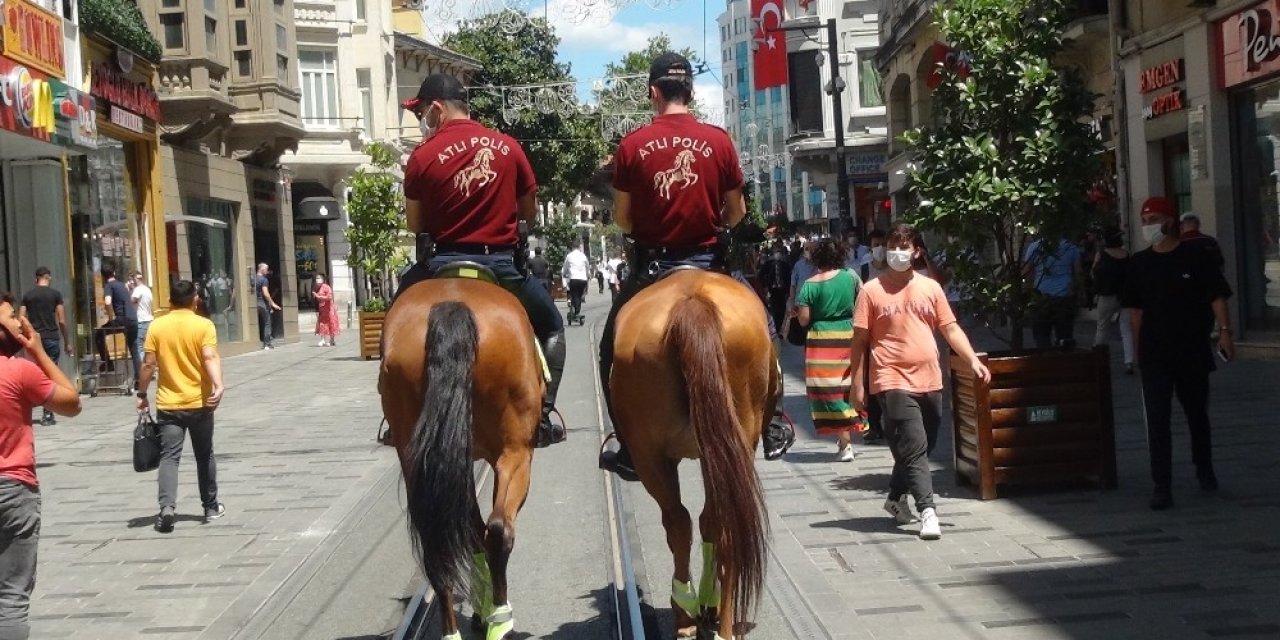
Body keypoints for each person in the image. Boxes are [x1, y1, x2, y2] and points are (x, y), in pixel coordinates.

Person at [598, 52, 762, 479]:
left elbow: (623, 218)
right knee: (764, 328)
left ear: (653, 92)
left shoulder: (632, 145)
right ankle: (773, 417)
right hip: (711, 261)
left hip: (654, 268)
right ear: (691, 90)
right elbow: (737, 211)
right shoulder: (719, 140)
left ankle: (627, 442)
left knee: (609, 349)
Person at [395, 73, 566, 448]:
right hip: (501, 268)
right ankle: (544, 414)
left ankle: (396, 416)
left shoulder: (422, 156)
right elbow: (529, 212)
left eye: (422, 111)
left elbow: (415, 223)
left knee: (396, 322)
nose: (421, 120)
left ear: (437, 109)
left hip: (439, 267)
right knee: (552, 326)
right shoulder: (508, 147)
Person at [849, 224, 991, 540]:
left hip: (929, 378)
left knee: (923, 445)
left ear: (916, 251)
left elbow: (950, 328)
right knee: (913, 444)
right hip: (890, 378)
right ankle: (928, 510)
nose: (898, 252)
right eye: (892, 245)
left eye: (904, 246)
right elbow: (858, 342)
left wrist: (972, 360)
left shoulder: (931, 288)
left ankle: (895, 497)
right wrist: (856, 385)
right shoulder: (871, 291)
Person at [1123, 196, 1234, 511]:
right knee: (1157, 421)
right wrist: (1138, 351)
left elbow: (1216, 297)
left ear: (1170, 221)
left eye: (1153, 219)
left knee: (1197, 414)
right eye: (1144, 221)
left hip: (1192, 349)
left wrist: (1225, 334)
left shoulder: (1195, 255)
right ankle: (1162, 485)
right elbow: (1135, 313)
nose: (1148, 226)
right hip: (1155, 354)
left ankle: (1204, 467)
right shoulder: (1139, 264)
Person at [0, 292, 81, 639]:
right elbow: (71, 402)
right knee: (11, 598)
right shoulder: (20, 372)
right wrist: (36, 351)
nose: (19, 319)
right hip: (14, 489)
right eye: (11, 316)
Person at [136, 280, 225, 533]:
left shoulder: (157, 326)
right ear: (195, 299)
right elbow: (209, 356)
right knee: (204, 453)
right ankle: (210, 507)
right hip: (199, 402)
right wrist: (218, 385)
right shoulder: (203, 325)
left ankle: (167, 508)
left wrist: (142, 393)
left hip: (169, 403)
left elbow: (148, 364)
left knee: (169, 457)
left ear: (170, 301)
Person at [794, 239, 866, 462]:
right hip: (848, 335)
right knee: (848, 385)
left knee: (829, 390)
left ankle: (844, 442)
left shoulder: (809, 285)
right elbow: (863, 302)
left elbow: (804, 320)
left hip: (821, 341)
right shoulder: (851, 277)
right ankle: (847, 438)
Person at [18, 268, 72, 426]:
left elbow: (21, 317)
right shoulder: (55, 295)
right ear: (49, 278)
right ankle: (49, 413)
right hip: (52, 337)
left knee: (39, 372)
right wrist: (67, 341)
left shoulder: (28, 296)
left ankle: (42, 408)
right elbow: (61, 320)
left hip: (35, 339)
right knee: (51, 373)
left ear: (36, 279)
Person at [1024, 236, 1083, 349]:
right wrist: (1081, 292)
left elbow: (1028, 273)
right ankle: (1064, 362)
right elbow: (1078, 272)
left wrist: (1028, 294)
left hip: (1041, 297)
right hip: (1064, 296)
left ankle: (1046, 361)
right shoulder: (1070, 247)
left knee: (1042, 337)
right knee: (1065, 337)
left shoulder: (1035, 247)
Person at [1092, 227, 1135, 374]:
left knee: (1102, 327)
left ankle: (1098, 359)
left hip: (1107, 295)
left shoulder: (1102, 255)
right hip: (1125, 296)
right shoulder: (1126, 255)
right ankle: (1129, 361)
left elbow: (1094, 273)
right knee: (1126, 329)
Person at [95, 263, 139, 382]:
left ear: (103, 276)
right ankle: (138, 379)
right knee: (134, 348)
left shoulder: (109, 286)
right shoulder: (121, 285)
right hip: (132, 318)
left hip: (121, 319)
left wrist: (111, 318)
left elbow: (108, 302)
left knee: (99, 335)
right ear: (114, 273)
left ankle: (108, 363)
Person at [758, 242, 793, 336]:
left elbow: (789, 277)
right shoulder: (768, 264)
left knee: (782, 309)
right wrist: (765, 286)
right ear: (773, 252)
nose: (778, 253)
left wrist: (789, 290)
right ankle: (777, 329)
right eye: (776, 251)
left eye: (779, 251)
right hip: (773, 290)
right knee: (775, 310)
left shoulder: (785, 264)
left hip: (783, 290)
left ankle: (781, 329)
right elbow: (761, 275)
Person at [130, 270, 155, 369]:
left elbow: (132, 300)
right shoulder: (147, 289)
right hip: (149, 320)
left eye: (132, 279)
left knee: (139, 346)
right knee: (147, 347)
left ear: (135, 279)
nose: (131, 282)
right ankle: (150, 367)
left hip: (141, 321)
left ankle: (144, 369)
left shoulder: (138, 289)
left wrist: (130, 289)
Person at [254, 264, 282, 350]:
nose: (267, 271)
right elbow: (265, 293)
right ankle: (266, 343)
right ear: (261, 269)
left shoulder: (253, 279)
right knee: (267, 322)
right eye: (266, 269)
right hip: (262, 303)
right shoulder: (264, 280)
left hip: (254, 303)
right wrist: (272, 303)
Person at [562, 242, 591, 322]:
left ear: (572, 247)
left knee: (574, 295)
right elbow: (587, 267)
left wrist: (564, 274)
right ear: (578, 247)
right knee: (579, 295)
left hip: (574, 279)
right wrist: (588, 275)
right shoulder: (583, 256)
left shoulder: (569, 256)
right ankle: (577, 310)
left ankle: (576, 312)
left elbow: (565, 267)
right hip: (583, 279)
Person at [313, 273, 340, 347]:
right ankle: (323, 339)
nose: (317, 280)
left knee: (331, 323)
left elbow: (330, 297)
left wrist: (319, 296)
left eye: (319, 278)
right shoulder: (317, 287)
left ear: (323, 279)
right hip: (322, 309)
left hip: (329, 309)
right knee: (322, 324)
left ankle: (332, 340)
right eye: (316, 278)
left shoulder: (326, 287)